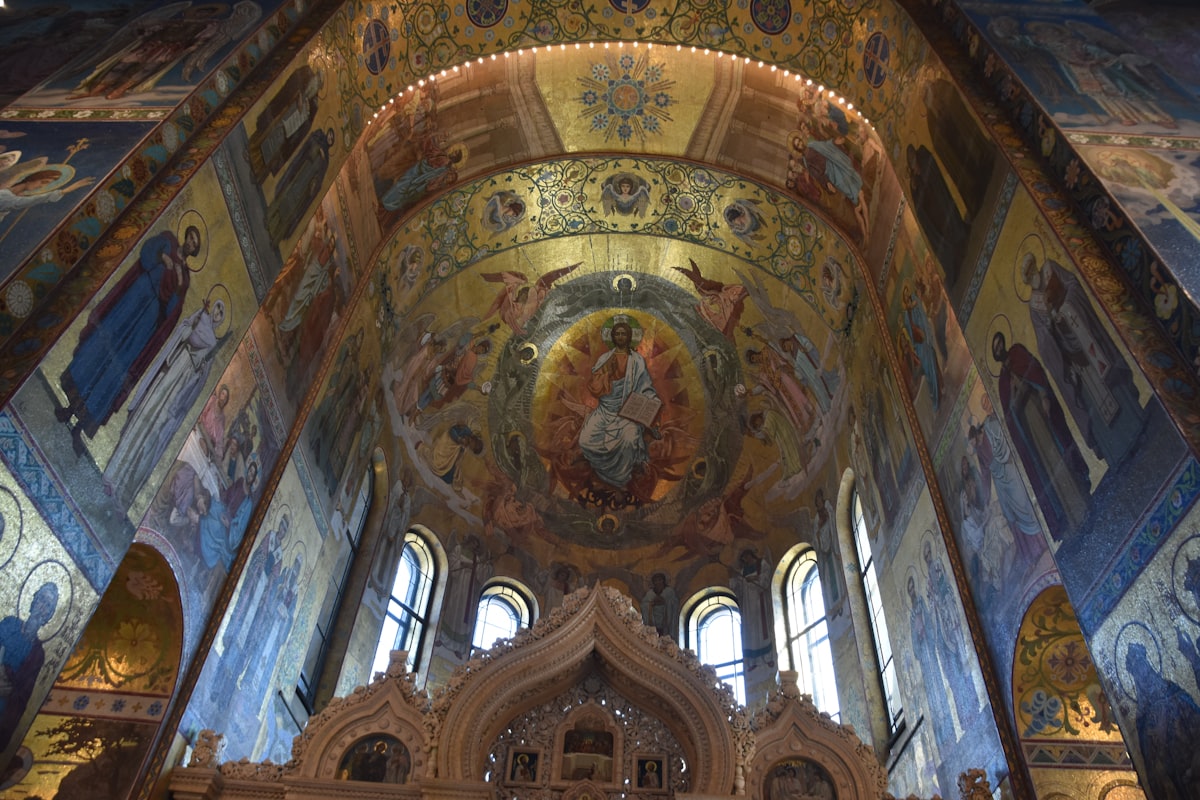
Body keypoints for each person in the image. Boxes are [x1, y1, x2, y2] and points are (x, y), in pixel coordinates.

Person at [57, 226, 200, 452]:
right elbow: (146, 253)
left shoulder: (185, 278)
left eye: (194, 244)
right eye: (190, 238)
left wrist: (178, 286)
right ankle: (69, 408)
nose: (190, 244)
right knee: (104, 343)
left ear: (195, 251)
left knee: (118, 365)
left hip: (150, 315)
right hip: (137, 293)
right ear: (185, 237)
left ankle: (80, 427)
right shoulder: (168, 241)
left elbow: (173, 312)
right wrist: (162, 257)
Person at [102, 299, 227, 507]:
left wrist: (202, 365)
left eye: (221, 313)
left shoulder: (214, 344)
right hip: (167, 378)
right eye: (217, 308)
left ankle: (124, 492)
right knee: (140, 423)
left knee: (150, 440)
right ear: (213, 308)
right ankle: (113, 475)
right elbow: (181, 333)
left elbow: (202, 379)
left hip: (178, 392)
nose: (217, 313)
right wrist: (191, 329)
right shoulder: (198, 317)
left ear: (221, 319)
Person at [991, 331, 1090, 541]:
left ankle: (1083, 505)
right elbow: (1010, 415)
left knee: (1061, 456)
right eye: (996, 349)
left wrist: (1044, 394)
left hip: (1042, 415)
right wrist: (1013, 390)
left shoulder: (1017, 352)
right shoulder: (1002, 383)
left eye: (1000, 344)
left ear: (1005, 343)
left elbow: (1035, 370)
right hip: (1031, 431)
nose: (1000, 349)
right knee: (1050, 470)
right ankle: (1070, 519)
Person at [579, 320, 660, 489]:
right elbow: (594, 388)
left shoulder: (637, 361)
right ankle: (602, 472)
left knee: (630, 440)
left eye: (624, 334)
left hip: (627, 412)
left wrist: (651, 404)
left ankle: (620, 480)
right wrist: (607, 371)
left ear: (629, 337)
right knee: (585, 440)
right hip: (604, 411)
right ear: (613, 337)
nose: (621, 337)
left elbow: (645, 387)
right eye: (617, 334)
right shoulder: (604, 359)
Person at [0, 582, 58, 754]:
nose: (42, 608)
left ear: (50, 615)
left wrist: (9, 689)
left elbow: (23, 694)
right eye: (41, 599)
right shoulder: (10, 624)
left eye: (48, 606)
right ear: (33, 600)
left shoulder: (37, 653)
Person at [641, 572, 679, 638]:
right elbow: (644, 604)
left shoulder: (669, 591)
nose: (658, 582)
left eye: (660, 580)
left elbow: (674, 602)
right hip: (654, 619)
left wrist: (666, 602)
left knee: (665, 635)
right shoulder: (650, 594)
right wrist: (651, 604)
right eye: (655, 581)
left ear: (664, 581)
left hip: (666, 618)